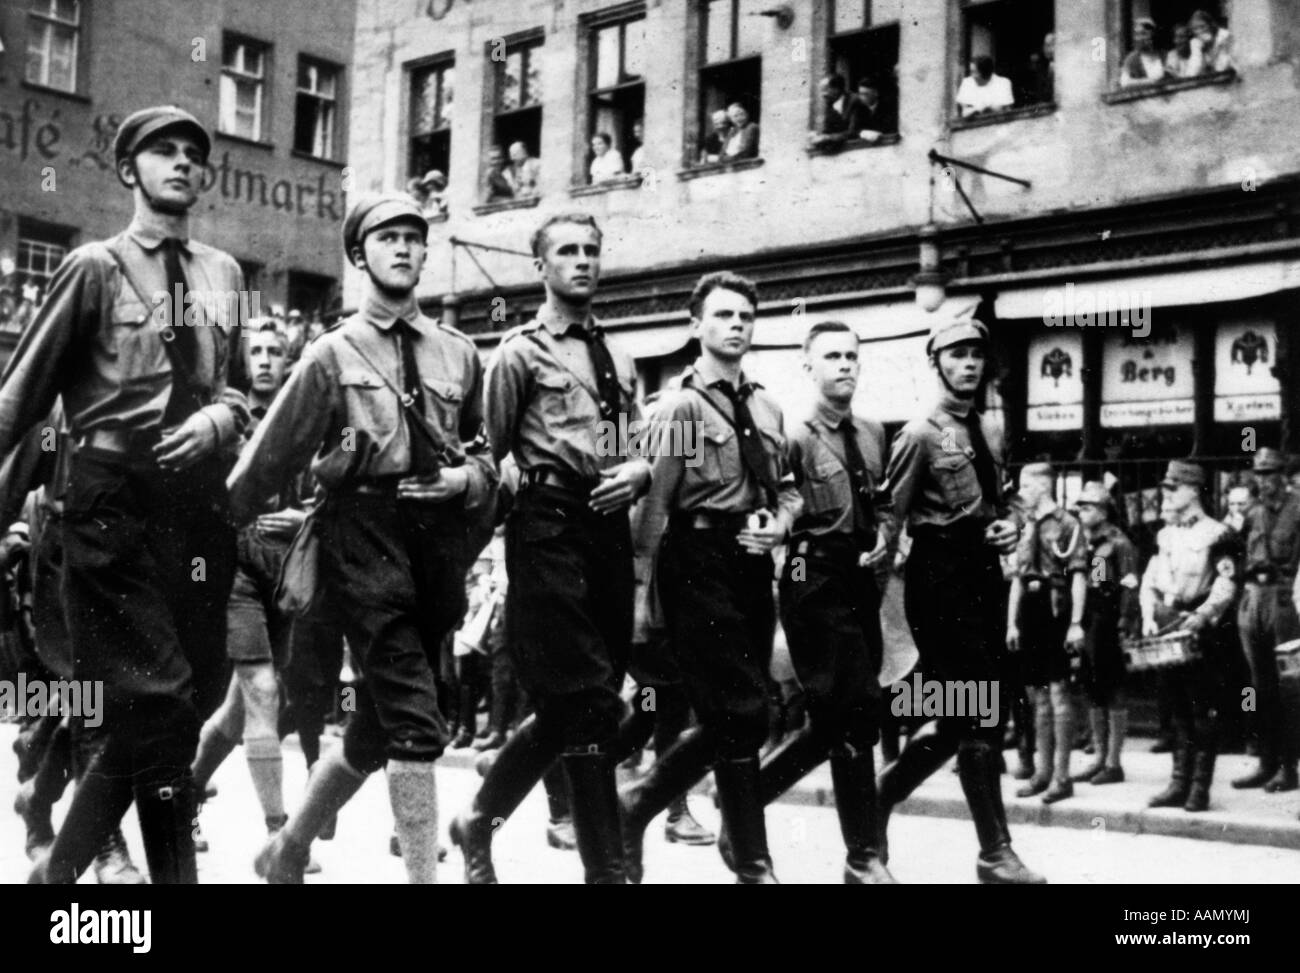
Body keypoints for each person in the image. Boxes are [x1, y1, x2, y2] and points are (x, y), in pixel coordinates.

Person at [2, 106, 251, 885]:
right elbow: (20, 398)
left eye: (192, 154)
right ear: (127, 169)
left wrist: (219, 418)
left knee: (187, 701)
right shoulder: (93, 268)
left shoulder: (224, 273)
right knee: (164, 697)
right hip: (109, 502)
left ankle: (77, 879)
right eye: (162, 152)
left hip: (197, 503)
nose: (181, 164)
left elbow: (240, 387)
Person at [230, 192, 497, 884]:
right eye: (388, 238)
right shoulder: (331, 353)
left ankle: (286, 851)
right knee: (416, 723)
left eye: (414, 236)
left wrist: (464, 480)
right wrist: (205, 535)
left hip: (435, 546)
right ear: (360, 254)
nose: (404, 248)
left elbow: (486, 456)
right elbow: (267, 458)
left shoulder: (459, 353)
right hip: (361, 537)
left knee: (379, 725)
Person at [450, 213, 651, 885]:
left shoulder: (618, 356)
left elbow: (637, 442)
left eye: (592, 249)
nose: (583, 261)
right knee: (592, 697)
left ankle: (479, 817)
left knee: (580, 701)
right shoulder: (518, 352)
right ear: (541, 266)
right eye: (567, 251)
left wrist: (642, 471)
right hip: (548, 525)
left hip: (607, 529)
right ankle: (608, 869)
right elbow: (487, 450)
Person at [620, 271, 800, 885]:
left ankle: (647, 809)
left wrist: (781, 523)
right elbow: (653, 506)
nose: (736, 326)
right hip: (694, 562)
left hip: (751, 562)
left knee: (743, 712)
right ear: (695, 327)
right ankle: (745, 855)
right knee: (744, 708)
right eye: (723, 316)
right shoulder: (680, 405)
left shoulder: (769, 404)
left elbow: (790, 490)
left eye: (746, 316)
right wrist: (642, 597)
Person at [723, 319, 896, 883]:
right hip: (809, 575)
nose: (844, 365)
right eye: (831, 357)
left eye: (852, 355)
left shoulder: (873, 432)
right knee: (857, 710)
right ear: (809, 367)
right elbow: (776, 509)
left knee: (835, 722)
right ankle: (863, 859)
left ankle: (742, 813)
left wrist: (886, 540)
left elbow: (884, 505)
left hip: (858, 581)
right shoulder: (792, 434)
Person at [879, 316, 1044, 884]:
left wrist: (1010, 525)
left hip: (982, 577)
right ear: (937, 363)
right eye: (957, 355)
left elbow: (1010, 500)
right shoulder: (920, 433)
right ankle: (994, 852)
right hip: (938, 580)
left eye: (977, 354)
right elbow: (889, 517)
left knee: (956, 722)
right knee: (980, 712)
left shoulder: (991, 430)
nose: (969, 364)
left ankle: (876, 803)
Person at [189, 322, 313, 864]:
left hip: (285, 570)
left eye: (274, 352)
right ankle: (280, 835)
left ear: (289, 361)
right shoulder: (230, 416)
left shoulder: (307, 416)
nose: (264, 360)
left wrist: (304, 517)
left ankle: (186, 793)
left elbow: (326, 491)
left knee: (240, 709)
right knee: (262, 691)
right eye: (255, 352)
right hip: (234, 564)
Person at [1140, 460, 1238, 813]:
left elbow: (1226, 584)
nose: (1167, 493)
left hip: (1199, 628)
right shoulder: (1166, 534)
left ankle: (1199, 786)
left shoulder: (1219, 534)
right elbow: (1150, 579)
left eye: (1173, 487)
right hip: (1169, 624)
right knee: (1175, 707)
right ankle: (1178, 781)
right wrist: (1150, 615)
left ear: (1194, 490)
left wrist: (1202, 615)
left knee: (1202, 708)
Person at [1006, 462, 1088, 804]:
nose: (1021, 490)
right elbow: (1017, 578)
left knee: (1058, 694)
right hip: (1030, 611)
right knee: (1036, 696)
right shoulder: (1024, 524)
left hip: (1057, 610)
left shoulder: (1068, 524)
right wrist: (1011, 622)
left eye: (1026, 484)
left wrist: (1075, 623)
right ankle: (1042, 772)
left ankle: (1062, 776)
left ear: (1043, 486)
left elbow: (1080, 574)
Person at [1231, 448, 1300, 792]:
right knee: (1259, 687)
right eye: (1258, 474)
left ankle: (1289, 768)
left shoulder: (1298, 508)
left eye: (1269, 474)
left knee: (1289, 686)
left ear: (1283, 476)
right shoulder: (1252, 512)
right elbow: (1237, 553)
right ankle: (1265, 762)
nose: (1263, 481)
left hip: (1285, 598)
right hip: (1254, 598)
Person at [1070, 481, 1140, 785]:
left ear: (1102, 510)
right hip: (1089, 619)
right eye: (1080, 508)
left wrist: (1125, 621)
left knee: (1112, 688)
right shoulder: (1084, 541)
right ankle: (1099, 756)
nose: (1082, 513)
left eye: (1087, 507)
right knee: (1092, 686)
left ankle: (1113, 762)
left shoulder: (1118, 543)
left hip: (1109, 620)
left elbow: (1129, 584)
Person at [808, 75, 864, 148]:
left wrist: (827, 138)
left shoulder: (854, 101)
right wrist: (818, 135)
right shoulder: (829, 104)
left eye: (825, 89)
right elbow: (827, 130)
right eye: (821, 90)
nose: (823, 94)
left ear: (836, 89)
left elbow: (854, 132)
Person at [1120, 18, 1166, 87]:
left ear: (1152, 34)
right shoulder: (1132, 59)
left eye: (1143, 33)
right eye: (1137, 34)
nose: (1139, 38)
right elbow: (1124, 82)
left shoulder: (1163, 55)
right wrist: (1148, 81)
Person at [1190, 9, 1234, 73]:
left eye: (1202, 26)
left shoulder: (1224, 36)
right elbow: (1193, 72)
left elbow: (1222, 68)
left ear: (1211, 25)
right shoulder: (1196, 43)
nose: (1200, 31)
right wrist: (1197, 51)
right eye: (1195, 29)